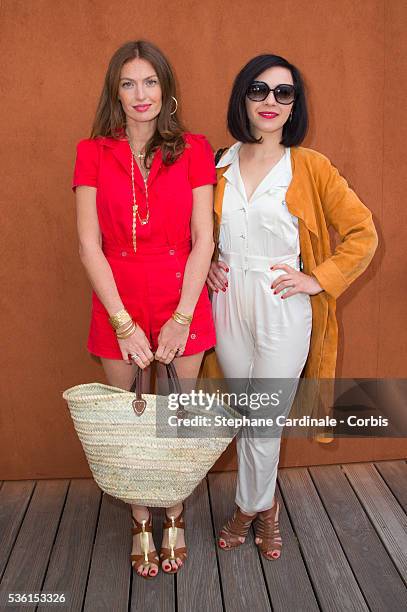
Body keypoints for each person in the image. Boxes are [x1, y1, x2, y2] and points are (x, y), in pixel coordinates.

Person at [205, 54, 378, 561]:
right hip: (228, 299)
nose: (270, 102)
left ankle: (252, 508)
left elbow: (363, 234)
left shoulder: (310, 166)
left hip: (282, 301)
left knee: (265, 418)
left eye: (284, 93)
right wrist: (211, 262)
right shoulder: (218, 162)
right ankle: (265, 504)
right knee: (246, 410)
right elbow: (196, 233)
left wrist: (316, 278)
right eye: (259, 90)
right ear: (243, 96)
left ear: (294, 104)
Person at [72, 40, 216, 578]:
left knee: (177, 415)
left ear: (166, 89)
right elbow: (89, 245)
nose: (141, 94)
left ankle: (174, 512)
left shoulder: (195, 148)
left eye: (150, 82)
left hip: (184, 296)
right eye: (129, 83)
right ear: (115, 90)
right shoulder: (92, 151)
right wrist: (123, 323)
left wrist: (182, 318)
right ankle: (139, 519)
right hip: (118, 300)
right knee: (130, 420)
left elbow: (204, 239)